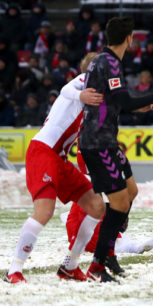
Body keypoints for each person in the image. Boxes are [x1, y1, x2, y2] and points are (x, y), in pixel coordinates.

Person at [78, 17, 153, 282]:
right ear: (129, 38)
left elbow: (116, 102)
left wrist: (142, 105)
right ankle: (99, 263)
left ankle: (107, 253)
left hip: (105, 139)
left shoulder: (100, 60)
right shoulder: (111, 63)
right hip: (98, 141)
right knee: (119, 202)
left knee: (130, 193)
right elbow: (124, 102)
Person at [4, 53, 108, 283]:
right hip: (43, 151)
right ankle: (14, 270)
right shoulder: (84, 81)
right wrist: (81, 94)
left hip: (60, 158)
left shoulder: (98, 98)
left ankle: (70, 266)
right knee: (44, 211)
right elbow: (64, 90)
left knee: (96, 206)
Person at [61, 203, 153, 276]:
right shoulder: (111, 229)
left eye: (126, 221)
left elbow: (144, 247)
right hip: (85, 236)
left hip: (86, 240)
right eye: (123, 221)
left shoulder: (123, 240)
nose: (125, 224)